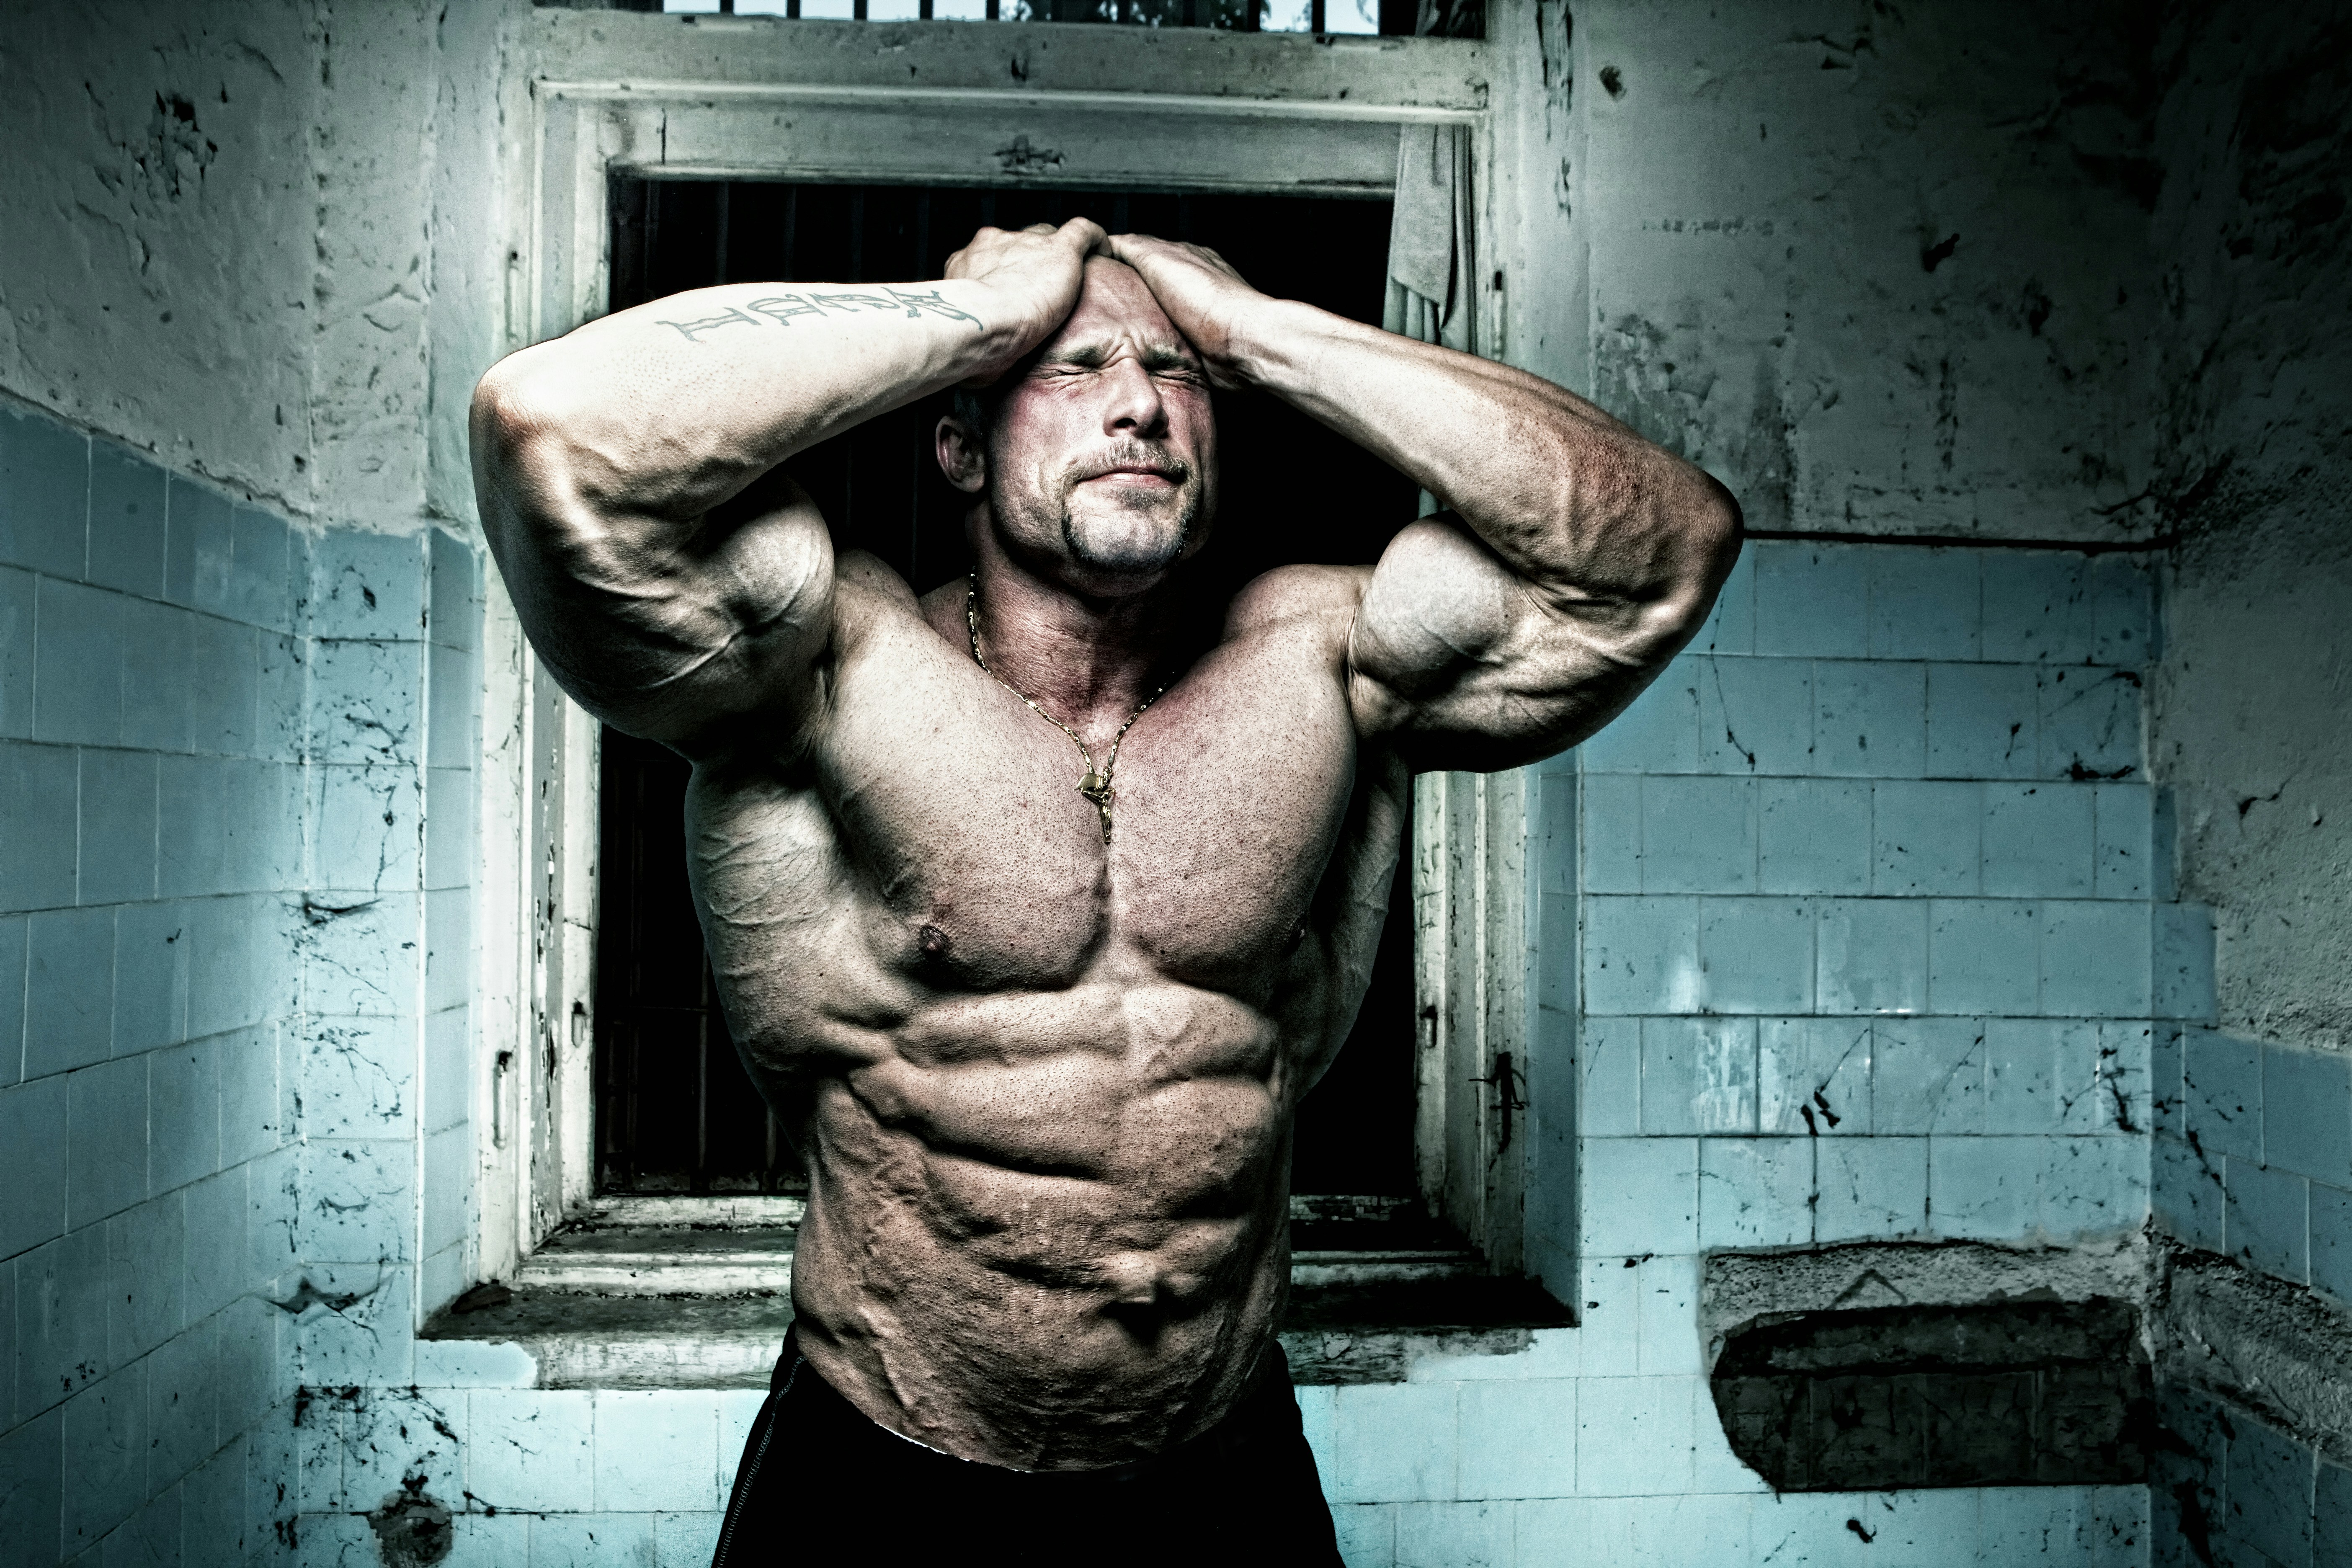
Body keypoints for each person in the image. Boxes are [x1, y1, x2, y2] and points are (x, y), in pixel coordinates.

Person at [470, 217, 1739, 1565]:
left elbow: (1660, 557)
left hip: (1220, 1470)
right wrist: (976, 317)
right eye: (1069, 369)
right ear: (957, 441)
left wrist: (1261, 333)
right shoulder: (829, 661)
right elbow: (549, 433)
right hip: (883, 1471)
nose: (1139, 402)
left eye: (1175, 373)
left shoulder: (1323, 660)